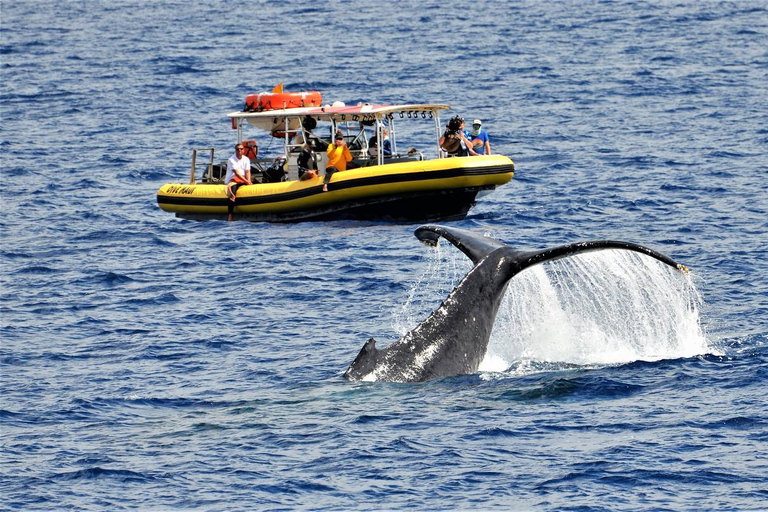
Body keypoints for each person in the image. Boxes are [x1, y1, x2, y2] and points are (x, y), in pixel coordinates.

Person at [225, 143, 252, 221]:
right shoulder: (231, 160)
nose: (239, 151)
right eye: (237, 149)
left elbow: (247, 171)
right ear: (235, 150)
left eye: (241, 149)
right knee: (232, 194)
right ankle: (230, 215)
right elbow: (236, 173)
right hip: (233, 180)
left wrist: (249, 181)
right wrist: (246, 181)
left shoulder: (246, 159)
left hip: (242, 179)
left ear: (243, 150)